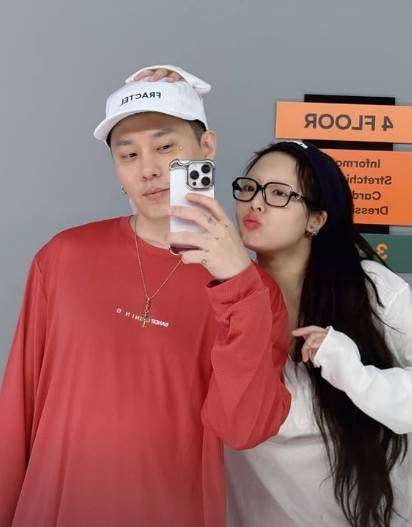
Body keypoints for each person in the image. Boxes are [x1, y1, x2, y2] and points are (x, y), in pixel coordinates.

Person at [0, 66, 291, 527]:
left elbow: (245, 428)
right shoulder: (63, 257)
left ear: (206, 148)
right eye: (128, 154)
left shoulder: (253, 293)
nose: (149, 169)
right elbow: (17, 410)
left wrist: (237, 285)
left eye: (165, 146)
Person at [224, 140, 412, 527]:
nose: (255, 203)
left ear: (316, 220)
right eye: (249, 188)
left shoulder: (372, 292)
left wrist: (355, 375)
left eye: (278, 194)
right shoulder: (226, 297)